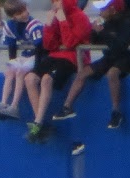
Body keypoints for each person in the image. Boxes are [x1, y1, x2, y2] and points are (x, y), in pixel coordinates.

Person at [58, 0, 130, 128]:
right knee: (83, 73)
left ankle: (116, 111)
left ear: (113, 10)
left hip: (126, 58)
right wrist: (94, 32)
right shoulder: (105, 24)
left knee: (112, 73)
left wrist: (102, 32)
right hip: (109, 58)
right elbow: (95, 42)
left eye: (103, 9)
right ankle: (67, 106)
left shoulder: (126, 25)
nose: (100, 12)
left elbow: (119, 46)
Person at [24, 0, 93, 142]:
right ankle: (40, 122)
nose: (55, 4)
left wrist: (62, 21)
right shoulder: (56, 15)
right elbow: (49, 45)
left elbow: (70, 43)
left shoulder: (80, 17)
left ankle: (38, 123)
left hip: (72, 58)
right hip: (55, 55)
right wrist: (49, 25)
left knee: (47, 79)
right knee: (29, 78)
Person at [0, 1, 45, 119]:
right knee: (10, 70)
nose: (24, 14)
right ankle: (4, 102)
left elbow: (40, 48)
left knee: (20, 72)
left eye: (24, 10)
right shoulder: (10, 25)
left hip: (38, 56)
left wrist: (36, 68)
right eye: (19, 13)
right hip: (27, 55)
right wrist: (13, 63)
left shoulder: (34, 24)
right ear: (13, 16)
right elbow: (12, 46)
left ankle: (14, 106)